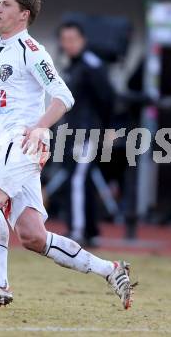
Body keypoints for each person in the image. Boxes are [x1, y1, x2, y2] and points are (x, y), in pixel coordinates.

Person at [0, 0, 133, 309]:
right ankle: (110, 270)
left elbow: (63, 97)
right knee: (33, 236)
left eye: (6, 4)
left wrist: (38, 128)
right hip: (3, 142)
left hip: (24, 143)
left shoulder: (32, 50)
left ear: (24, 14)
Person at [58, 21, 115, 245]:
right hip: (72, 132)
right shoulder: (71, 66)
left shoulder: (92, 65)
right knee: (84, 179)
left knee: (77, 180)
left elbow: (108, 98)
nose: (68, 44)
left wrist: (107, 128)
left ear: (83, 40)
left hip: (87, 132)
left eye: (72, 39)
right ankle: (91, 230)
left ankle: (77, 230)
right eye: (64, 40)